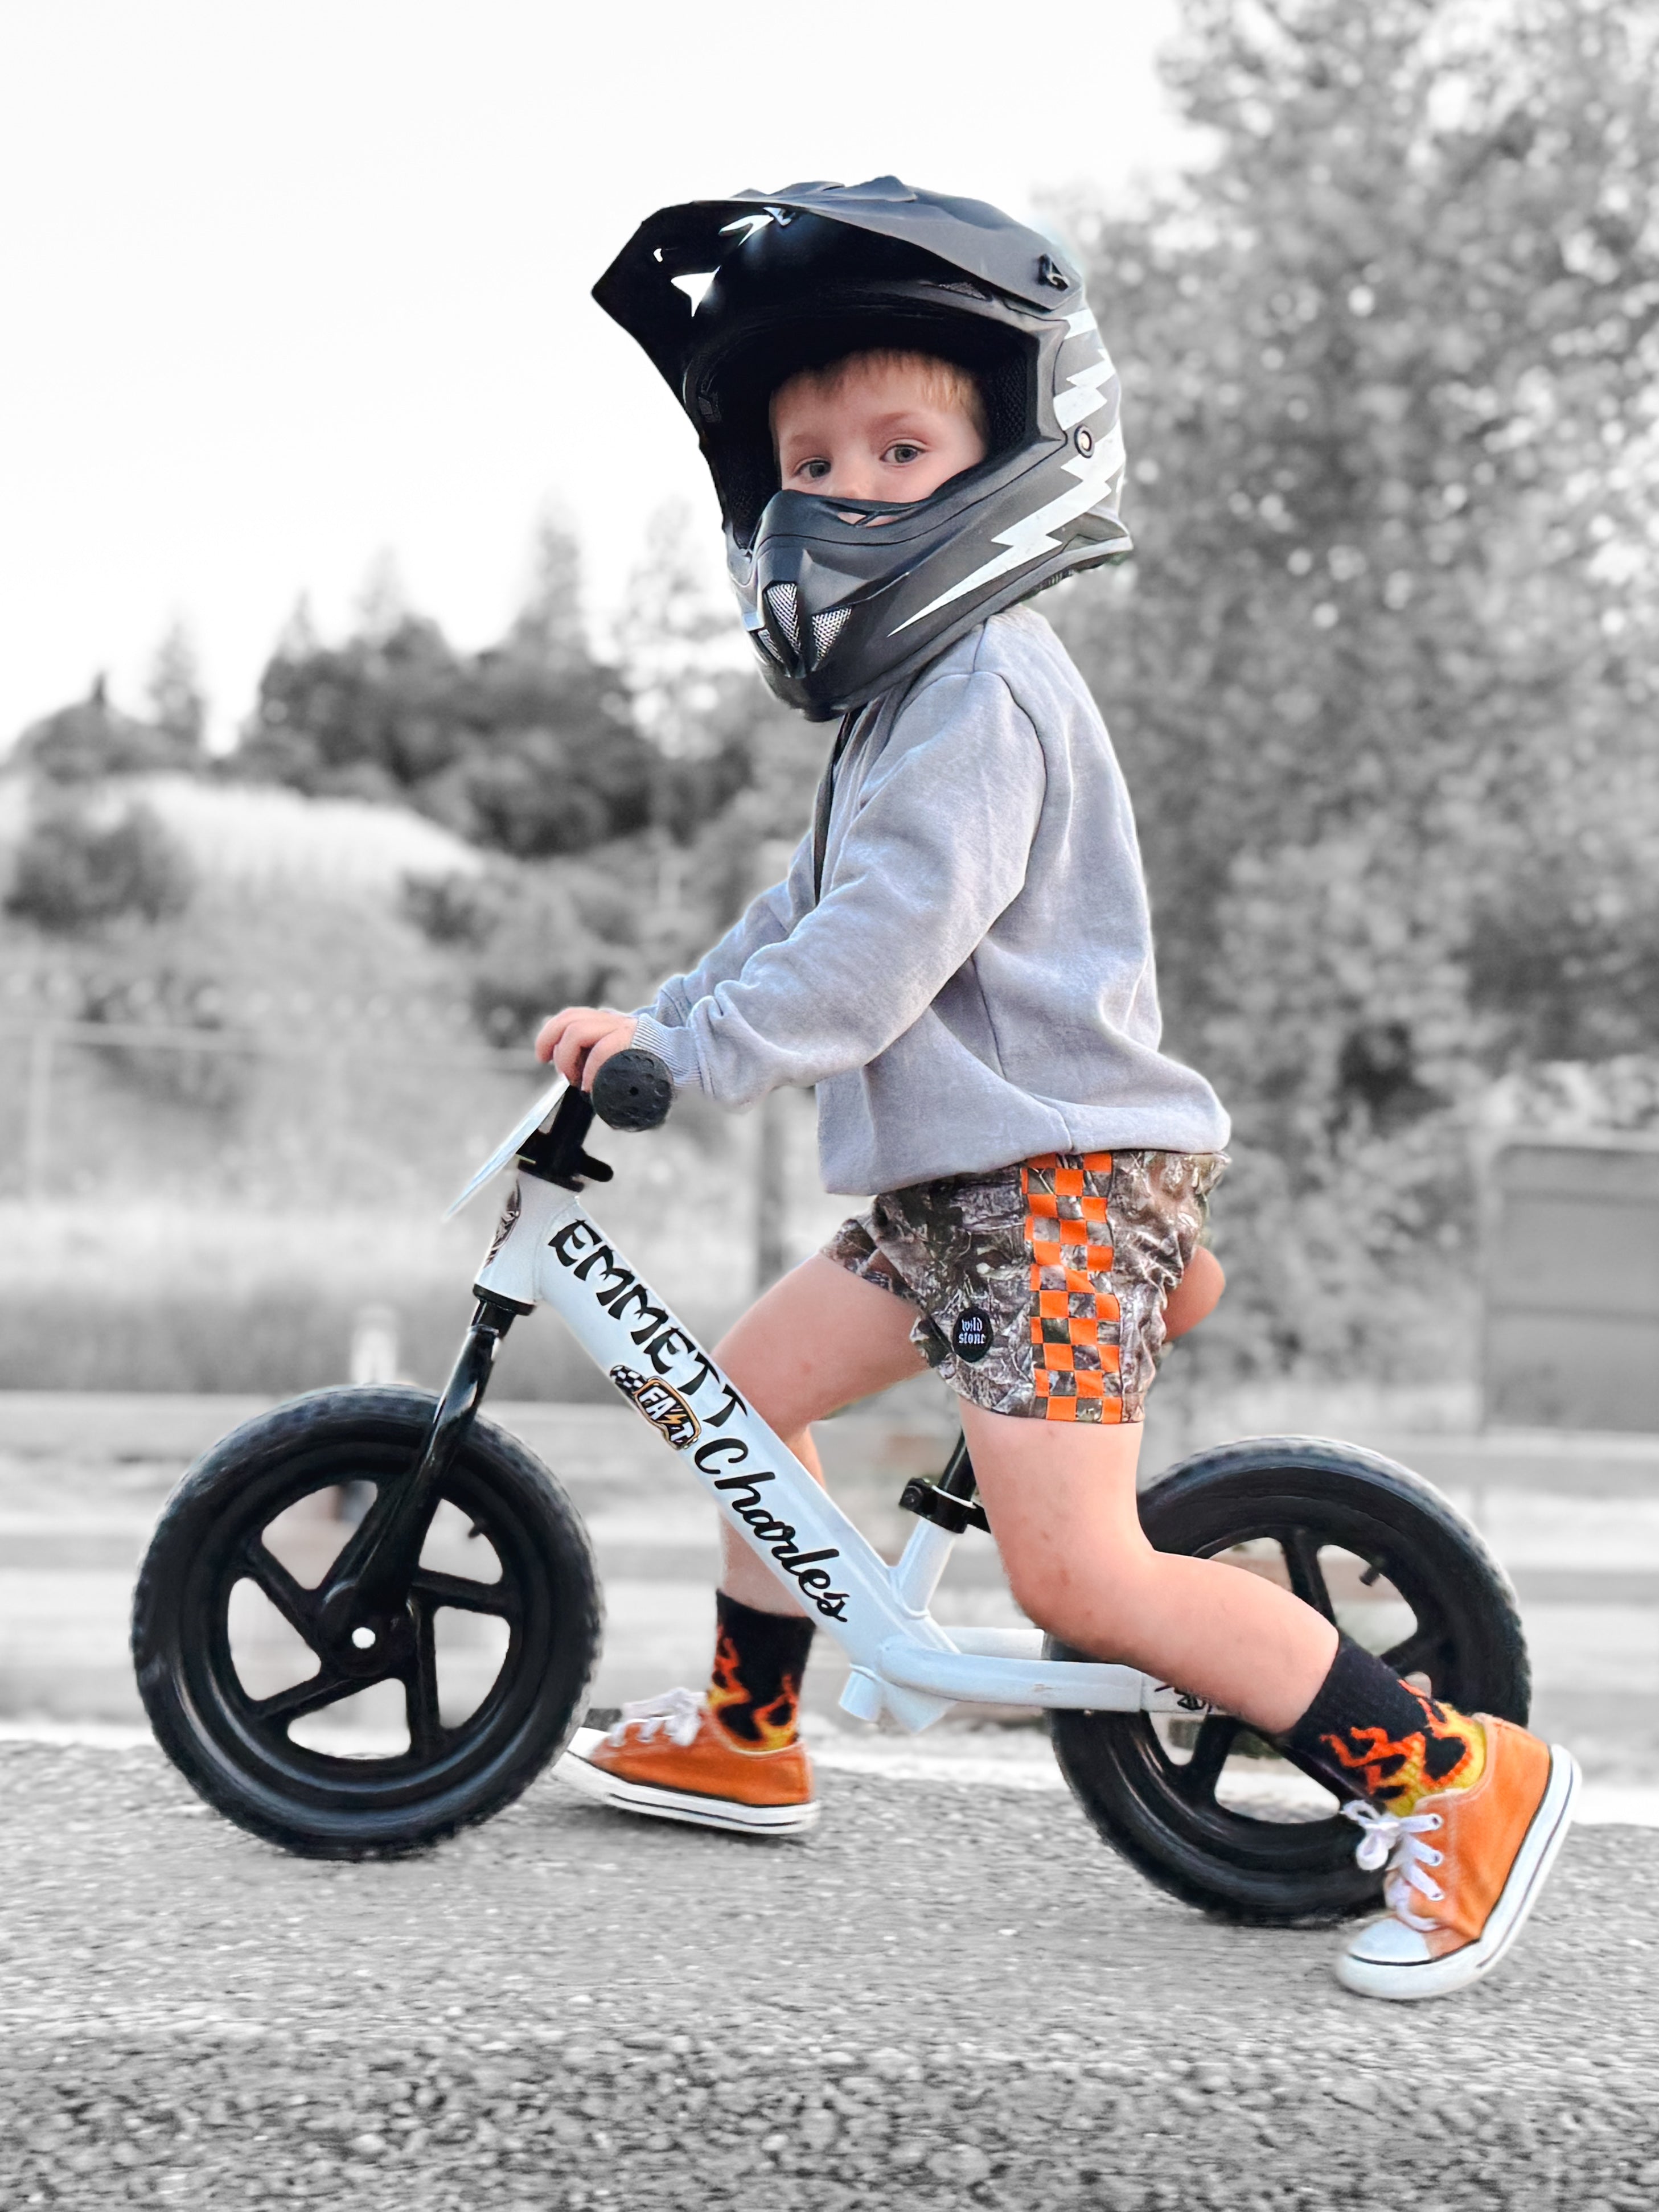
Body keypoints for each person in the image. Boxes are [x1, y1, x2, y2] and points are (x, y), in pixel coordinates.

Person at [543, 180, 1577, 2001]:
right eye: (813, 459)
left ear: (1001, 459)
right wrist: (655, 1017)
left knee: (1079, 1581)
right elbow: (806, 912)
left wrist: (693, 1060)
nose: (850, 486)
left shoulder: (979, 689)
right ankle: (744, 1727)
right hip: (965, 1192)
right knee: (741, 1401)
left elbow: (880, 951)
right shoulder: (898, 712)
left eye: (900, 445)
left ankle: (1452, 1781)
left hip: (1056, 1190)